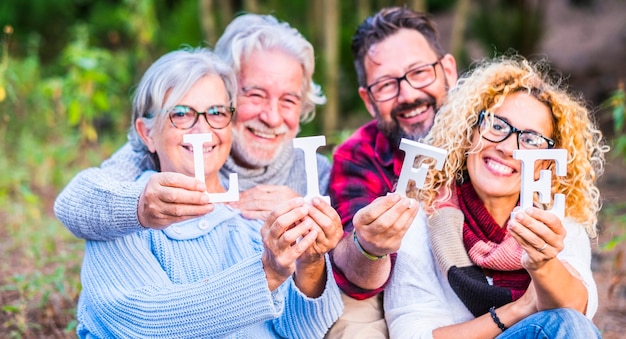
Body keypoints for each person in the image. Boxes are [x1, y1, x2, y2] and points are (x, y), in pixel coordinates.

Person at [76, 47, 343, 338]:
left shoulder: (257, 213)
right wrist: (267, 273)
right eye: (181, 114)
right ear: (147, 133)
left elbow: (303, 331)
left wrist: (311, 262)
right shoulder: (121, 216)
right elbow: (144, 324)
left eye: (216, 113)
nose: (202, 129)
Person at [384, 55, 606, 338]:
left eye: (531, 140)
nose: (508, 148)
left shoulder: (557, 222)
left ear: (546, 164)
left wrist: (543, 264)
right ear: (469, 134)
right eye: (497, 126)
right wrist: (517, 310)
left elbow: (577, 314)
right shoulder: (420, 218)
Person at [54, 13, 330, 239]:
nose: (271, 117)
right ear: (224, 93)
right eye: (255, 95)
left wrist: (303, 213)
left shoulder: (315, 172)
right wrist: (141, 206)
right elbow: (74, 203)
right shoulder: (178, 148)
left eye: (289, 100)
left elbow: (349, 268)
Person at [327, 7, 458, 337]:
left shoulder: (496, 138)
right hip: (394, 301)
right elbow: (357, 282)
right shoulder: (357, 156)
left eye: (420, 73)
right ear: (369, 101)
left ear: (448, 71)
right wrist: (368, 247)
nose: (409, 95)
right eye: (386, 85)